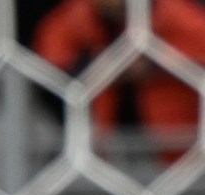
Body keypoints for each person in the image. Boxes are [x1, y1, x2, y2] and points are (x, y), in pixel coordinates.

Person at [35, 0, 205, 165]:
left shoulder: (173, 12)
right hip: (102, 137)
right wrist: (99, 65)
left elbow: (198, 46)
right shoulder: (79, 14)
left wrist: (154, 65)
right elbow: (49, 60)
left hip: (178, 140)